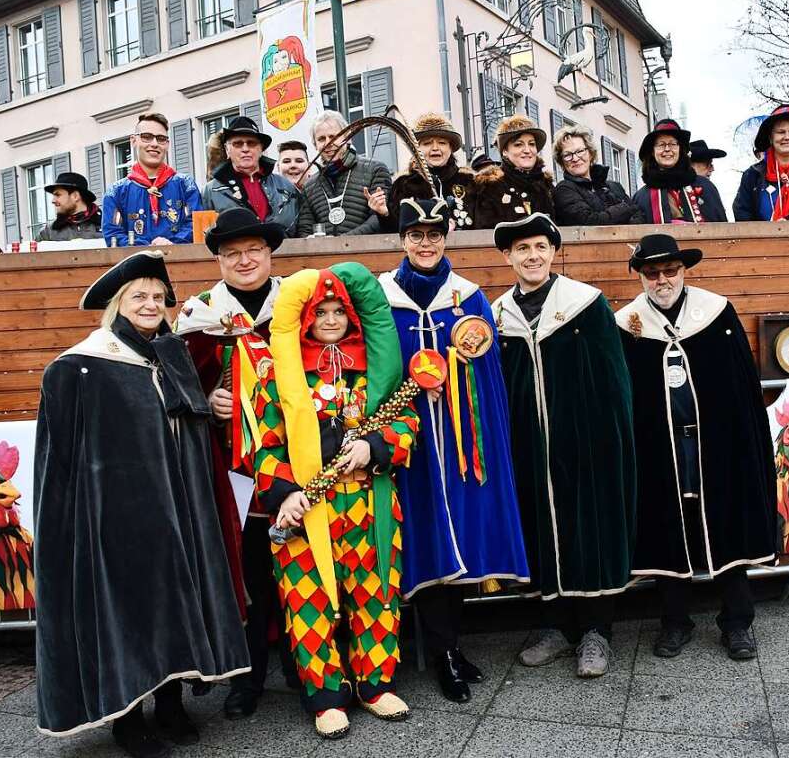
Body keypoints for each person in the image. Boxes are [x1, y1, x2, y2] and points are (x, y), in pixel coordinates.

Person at [34, 251, 249, 756]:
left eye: (158, 297)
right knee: (128, 613)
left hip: (177, 512)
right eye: (139, 297)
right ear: (117, 304)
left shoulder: (173, 358)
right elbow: (57, 465)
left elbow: (193, 436)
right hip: (115, 520)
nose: (151, 304)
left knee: (175, 604)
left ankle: (171, 703)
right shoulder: (80, 366)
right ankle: (128, 719)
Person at [252, 263, 419, 738]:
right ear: (305, 318)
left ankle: (375, 684)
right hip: (305, 509)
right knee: (309, 600)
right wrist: (283, 493)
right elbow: (265, 445)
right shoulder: (280, 375)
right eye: (319, 311)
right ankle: (326, 696)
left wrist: (376, 445)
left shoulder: (375, 369)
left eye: (337, 310)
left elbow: (406, 423)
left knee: (377, 594)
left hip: (368, 503)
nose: (329, 319)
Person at [378, 198, 529, 703]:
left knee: (459, 535)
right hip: (410, 444)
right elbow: (375, 369)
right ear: (401, 239)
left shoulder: (467, 297)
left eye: (434, 233)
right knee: (423, 537)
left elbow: (486, 371)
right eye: (416, 233)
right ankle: (439, 651)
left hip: (463, 441)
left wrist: (456, 381)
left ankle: (449, 648)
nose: (426, 242)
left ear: (446, 237)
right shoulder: (381, 297)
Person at [616, 234, 777, 662]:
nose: (662, 279)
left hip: (716, 445)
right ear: (641, 277)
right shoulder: (627, 324)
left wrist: (742, 442)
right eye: (652, 273)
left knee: (726, 521)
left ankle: (738, 623)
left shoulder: (716, 312)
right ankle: (675, 622)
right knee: (667, 526)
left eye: (670, 270)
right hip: (659, 447)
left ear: (683, 271)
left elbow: (742, 386)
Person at [492, 213, 637, 678]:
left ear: (553, 252)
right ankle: (554, 624)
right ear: (508, 257)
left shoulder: (584, 304)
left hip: (585, 441)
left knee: (590, 529)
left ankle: (597, 630)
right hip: (527, 446)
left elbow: (614, 379)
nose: (531, 256)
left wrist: (611, 438)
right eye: (521, 250)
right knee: (540, 530)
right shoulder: (496, 316)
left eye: (539, 247)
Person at [174, 207, 294, 720]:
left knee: (301, 557)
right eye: (232, 254)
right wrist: (207, 399)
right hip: (233, 467)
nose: (245, 261)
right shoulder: (200, 315)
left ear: (269, 254)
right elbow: (177, 390)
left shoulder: (298, 301)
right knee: (248, 565)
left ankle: (305, 660)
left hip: (296, 458)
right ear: (219, 261)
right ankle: (248, 674)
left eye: (254, 251)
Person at [103, 112, 202, 247]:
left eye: (161, 139)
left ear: (167, 144)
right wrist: (145, 249)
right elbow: (112, 233)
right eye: (147, 137)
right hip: (135, 264)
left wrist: (171, 243)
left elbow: (196, 224)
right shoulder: (116, 191)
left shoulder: (185, 184)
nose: (154, 144)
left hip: (180, 262)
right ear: (133, 141)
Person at [296, 110, 391, 237]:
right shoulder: (309, 186)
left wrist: (341, 242)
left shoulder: (375, 170)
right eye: (321, 139)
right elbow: (305, 230)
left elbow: (378, 219)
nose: (328, 143)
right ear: (315, 145)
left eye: (334, 136)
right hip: (325, 255)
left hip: (367, 253)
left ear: (348, 138)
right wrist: (311, 240)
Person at [201, 116, 300, 237]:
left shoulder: (286, 186)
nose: (245, 149)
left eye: (251, 143)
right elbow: (204, 236)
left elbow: (303, 228)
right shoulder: (210, 191)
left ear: (261, 149)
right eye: (238, 144)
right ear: (227, 150)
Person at [379, 113, 476, 231]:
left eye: (442, 143)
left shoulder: (470, 182)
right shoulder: (403, 186)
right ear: (417, 149)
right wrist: (384, 214)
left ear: (451, 148)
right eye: (427, 143)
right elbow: (396, 232)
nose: (435, 148)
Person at [632, 119, 726, 224]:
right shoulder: (642, 197)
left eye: (673, 144)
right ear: (653, 152)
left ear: (680, 150)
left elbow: (723, 231)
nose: (667, 149)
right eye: (661, 144)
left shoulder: (705, 187)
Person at [469, 116, 554, 229]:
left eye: (532, 144)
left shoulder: (546, 185)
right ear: (504, 151)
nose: (527, 150)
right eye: (518, 144)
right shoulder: (489, 186)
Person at [551, 125, 643, 226]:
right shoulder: (564, 190)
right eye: (567, 155)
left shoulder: (614, 187)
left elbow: (639, 216)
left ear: (590, 153)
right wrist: (624, 208)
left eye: (580, 151)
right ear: (561, 161)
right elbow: (589, 222)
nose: (575, 158)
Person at [37, 171, 102, 241]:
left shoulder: (107, 226)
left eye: (58, 195)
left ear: (75, 196)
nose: (53, 201)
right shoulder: (47, 232)